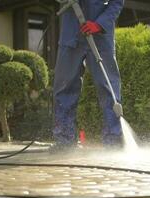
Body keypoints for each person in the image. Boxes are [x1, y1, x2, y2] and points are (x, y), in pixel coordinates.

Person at [52, 0, 124, 152]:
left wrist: (99, 24)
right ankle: (64, 141)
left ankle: (113, 141)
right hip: (71, 35)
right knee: (64, 88)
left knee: (108, 88)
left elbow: (117, 2)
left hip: (100, 38)